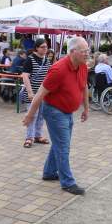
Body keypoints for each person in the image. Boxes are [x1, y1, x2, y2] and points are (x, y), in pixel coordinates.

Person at [22, 37, 90, 196]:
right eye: (84, 51)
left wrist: (86, 108)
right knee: (63, 146)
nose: (87, 54)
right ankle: (68, 182)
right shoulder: (58, 69)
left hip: (68, 111)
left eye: (88, 50)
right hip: (54, 111)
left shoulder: (82, 66)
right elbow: (40, 93)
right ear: (73, 52)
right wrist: (30, 115)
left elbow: (84, 86)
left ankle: (49, 172)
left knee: (59, 143)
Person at [21, 39, 52, 148]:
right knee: (32, 115)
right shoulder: (30, 60)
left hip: (43, 93)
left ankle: (38, 135)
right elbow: (25, 76)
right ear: (37, 48)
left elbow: (48, 76)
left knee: (41, 116)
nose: (45, 49)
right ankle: (29, 137)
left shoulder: (47, 60)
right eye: (43, 47)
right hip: (33, 93)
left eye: (46, 47)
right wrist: (30, 92)